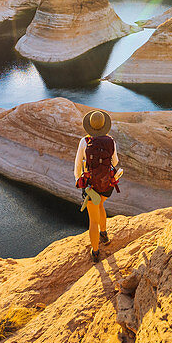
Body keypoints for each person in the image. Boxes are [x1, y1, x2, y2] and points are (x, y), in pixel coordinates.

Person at [74, 109, 122, 262]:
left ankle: (95, 252)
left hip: (91, 186)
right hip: (107, 184)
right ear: (104, 125)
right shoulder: (110, 141)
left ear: (89, 126)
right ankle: (104, 234)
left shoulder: (85, 142)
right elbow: (115, 162)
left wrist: (79, 180)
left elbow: (77, 167)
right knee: (101, 205)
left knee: (92, 219)